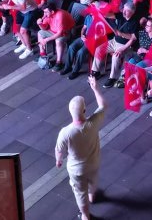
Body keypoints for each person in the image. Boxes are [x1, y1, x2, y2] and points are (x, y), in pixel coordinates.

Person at [55, 75, 106, 220]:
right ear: (84, 111)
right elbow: (102, 105)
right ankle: (92, 195)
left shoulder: (65, 132)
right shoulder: (93, 123)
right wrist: (95, 89)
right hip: (94, 163)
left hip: (76, 169)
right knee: (93, 181)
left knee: (79, 193)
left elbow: (59, 150)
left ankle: (85, 215)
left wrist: (58, 161)